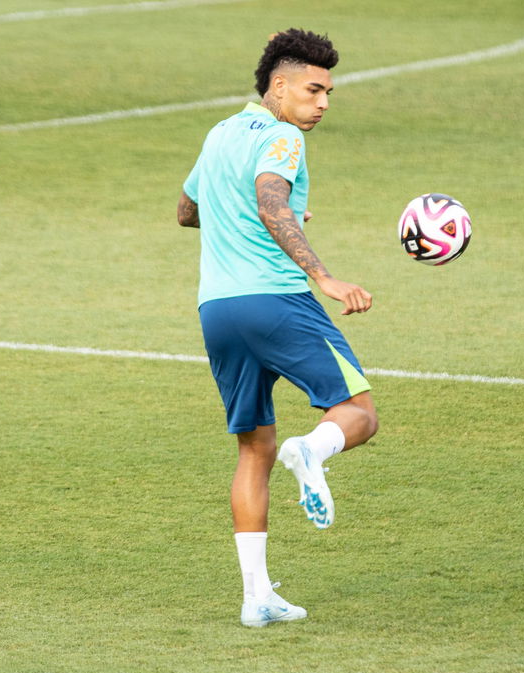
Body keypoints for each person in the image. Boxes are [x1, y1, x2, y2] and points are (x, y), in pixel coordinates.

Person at [177, 28, 378, 627]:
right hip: (275, 301)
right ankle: (311, 452)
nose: (321, 103)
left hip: (217, 309)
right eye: (313, 90)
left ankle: (256, 597)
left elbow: (188, 211)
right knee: (358, 413)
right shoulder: (283, 136)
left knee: (254, 448)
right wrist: (323, 275)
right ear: (279, 85)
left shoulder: (219, 133)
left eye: (329, 94)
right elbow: (270, 203)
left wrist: (262, 212)